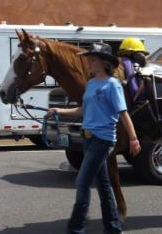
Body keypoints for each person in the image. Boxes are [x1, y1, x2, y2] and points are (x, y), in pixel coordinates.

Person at [47, 42, 141, 234]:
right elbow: (83, 110)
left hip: (103, 140)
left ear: (104, 62)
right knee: (104, 185)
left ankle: (76, 228)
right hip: (88, 139)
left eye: (93, 59)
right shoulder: (90, 84)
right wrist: (59, 110)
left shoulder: (113, 85)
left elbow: (123, 114)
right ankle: (113, 227)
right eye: (89, 58)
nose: (88, 61)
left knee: (82, 183)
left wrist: (133, 138)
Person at [118, 37, 162, 136]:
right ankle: (160, 128)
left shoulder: (126, 64)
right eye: (142, 54)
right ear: (138, 54)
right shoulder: (131, 66)